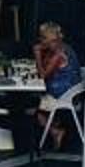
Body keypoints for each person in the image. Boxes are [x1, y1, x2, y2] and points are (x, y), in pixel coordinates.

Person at [31, 23, 82, 151]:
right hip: (71, 92)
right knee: (35, 98)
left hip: (63, 96)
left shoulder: (59, 54)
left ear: (51, 39)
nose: (40, 40)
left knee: (30, 105)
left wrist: (37, 54)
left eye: (43, 37)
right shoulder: (64, 47)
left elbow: (42, 75)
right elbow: (46, 68)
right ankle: (55, 126)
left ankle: (55, 131)